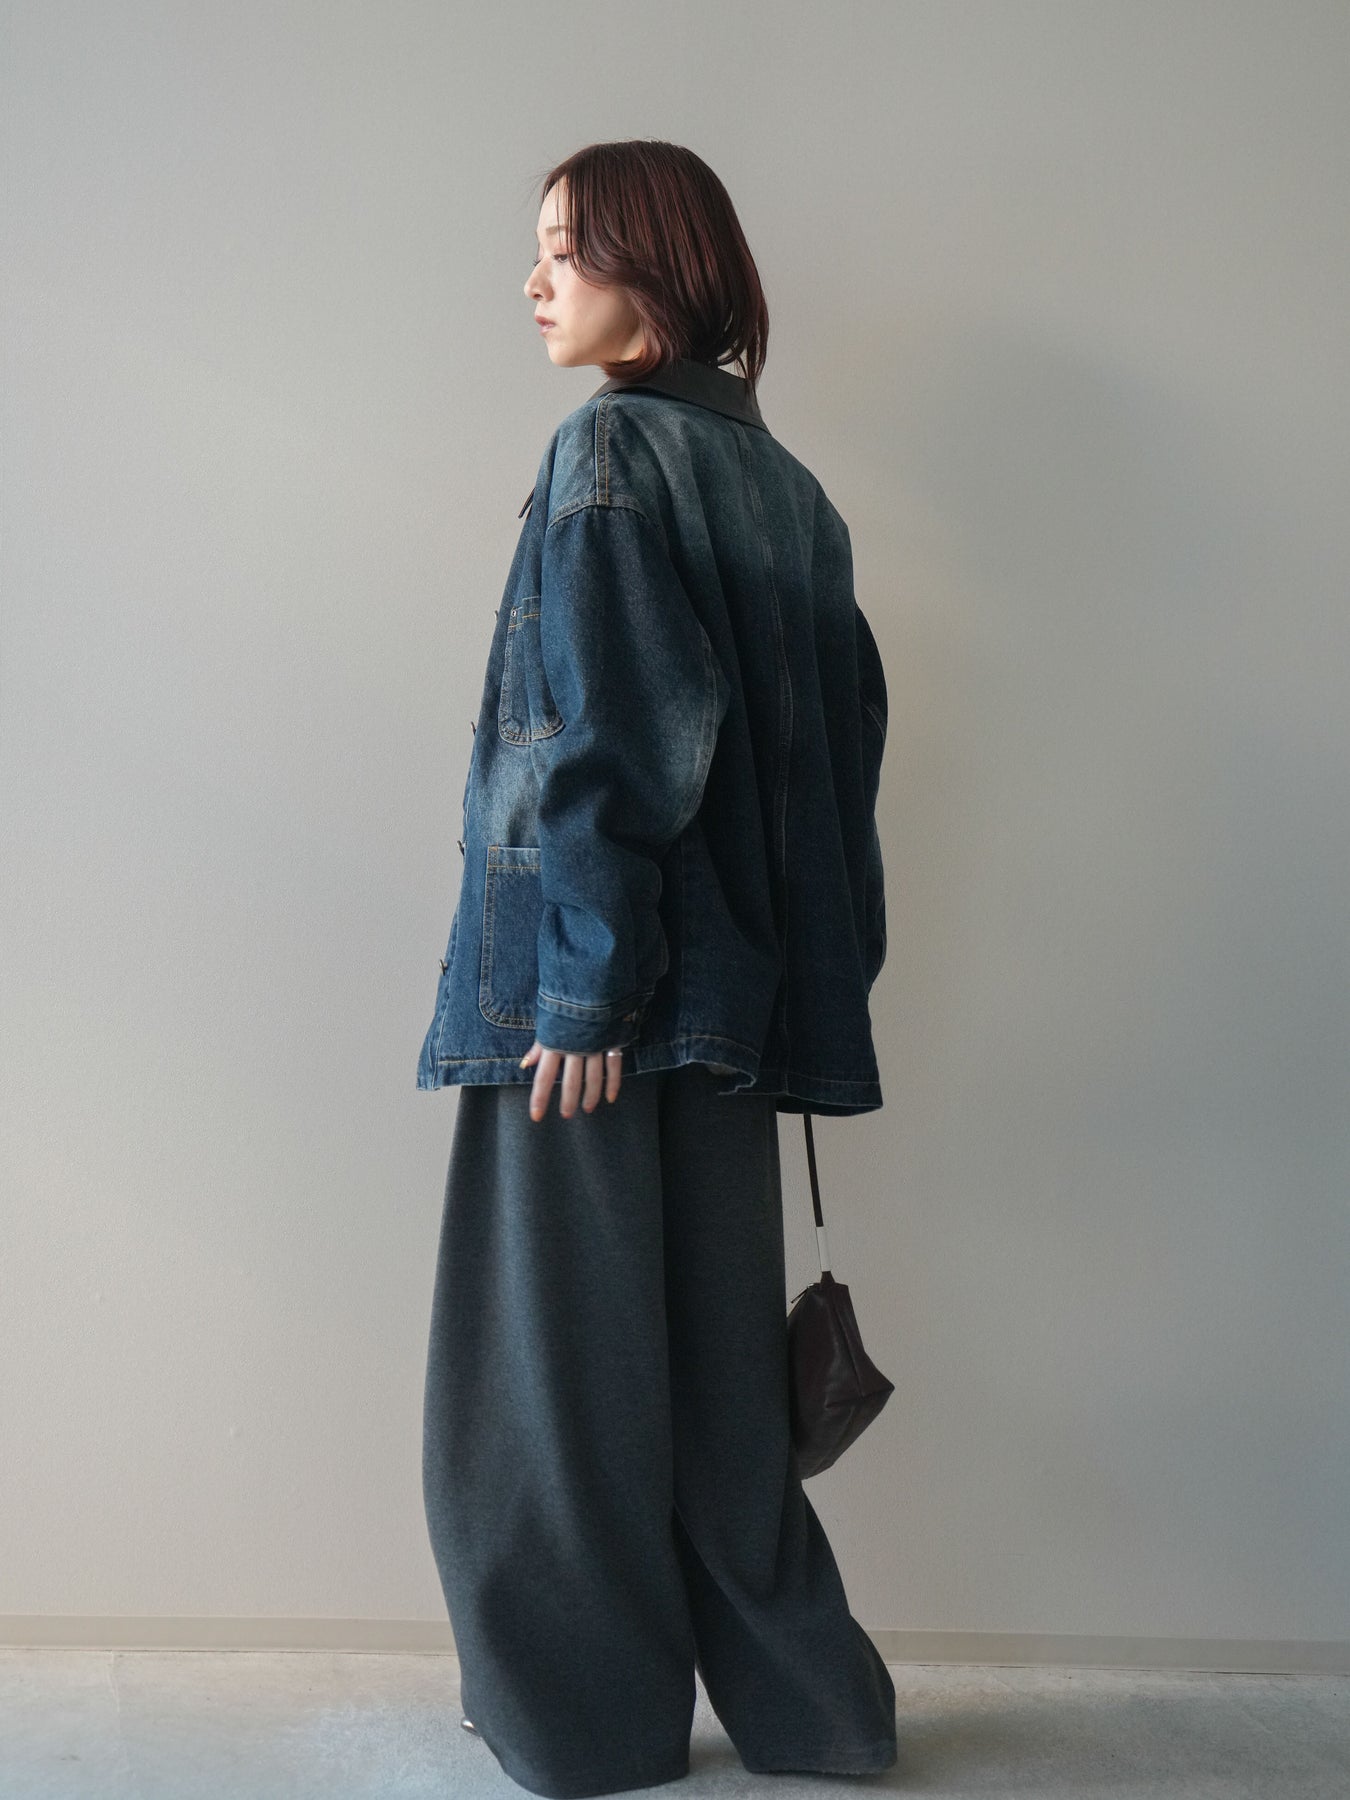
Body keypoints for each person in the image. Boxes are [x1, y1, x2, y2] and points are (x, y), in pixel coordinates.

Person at [418, 139, 896, 1799]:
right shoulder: (791, 494)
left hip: (592, 1011)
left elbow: (610, 737)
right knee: (717, 1404)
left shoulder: (609, 452)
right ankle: (817, 1718)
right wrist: (790, 996)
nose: (534, 280)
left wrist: (582, 984)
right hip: (729, 1015)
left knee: (543, 1393)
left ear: (658, 267)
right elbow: (841, 775)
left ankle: (582, 1728)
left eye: (566, 247)